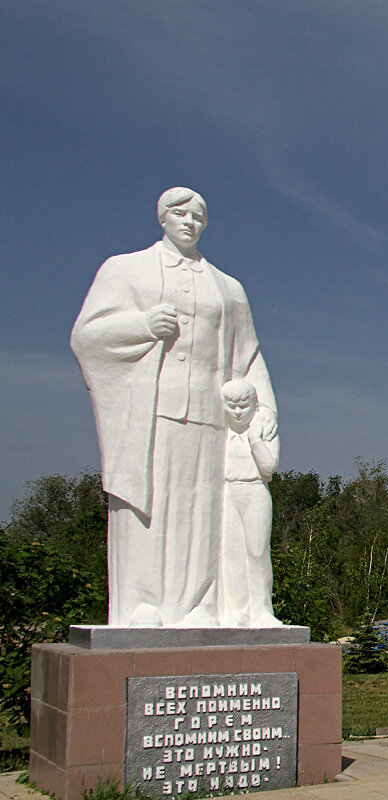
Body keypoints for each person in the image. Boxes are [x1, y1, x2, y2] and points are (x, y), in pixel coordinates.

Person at [72, 187, 277, 627]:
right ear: (162, 217)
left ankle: (198, 605)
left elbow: (250, 357)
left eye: (198, 215)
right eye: (180, 213)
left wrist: (266, 415)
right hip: (151, 412)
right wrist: (141, 325)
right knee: (151, 505)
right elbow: (88, 336)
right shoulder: (126, 270)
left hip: (210, 418)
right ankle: (143, 603)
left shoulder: (227, 288)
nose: (189, 222)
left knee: (204, 510)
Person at [219, 380, 281, 627]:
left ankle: (262, 609)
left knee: (257, 552)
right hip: (229, 492)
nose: (237, 412)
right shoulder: (221, 435)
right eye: (232, 406)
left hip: (255, 490)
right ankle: (236, 610)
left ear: (255, 406)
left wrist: (254, 439)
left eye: (243, 406)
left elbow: (268, 467)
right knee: (232, 554)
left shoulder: (265, 430)